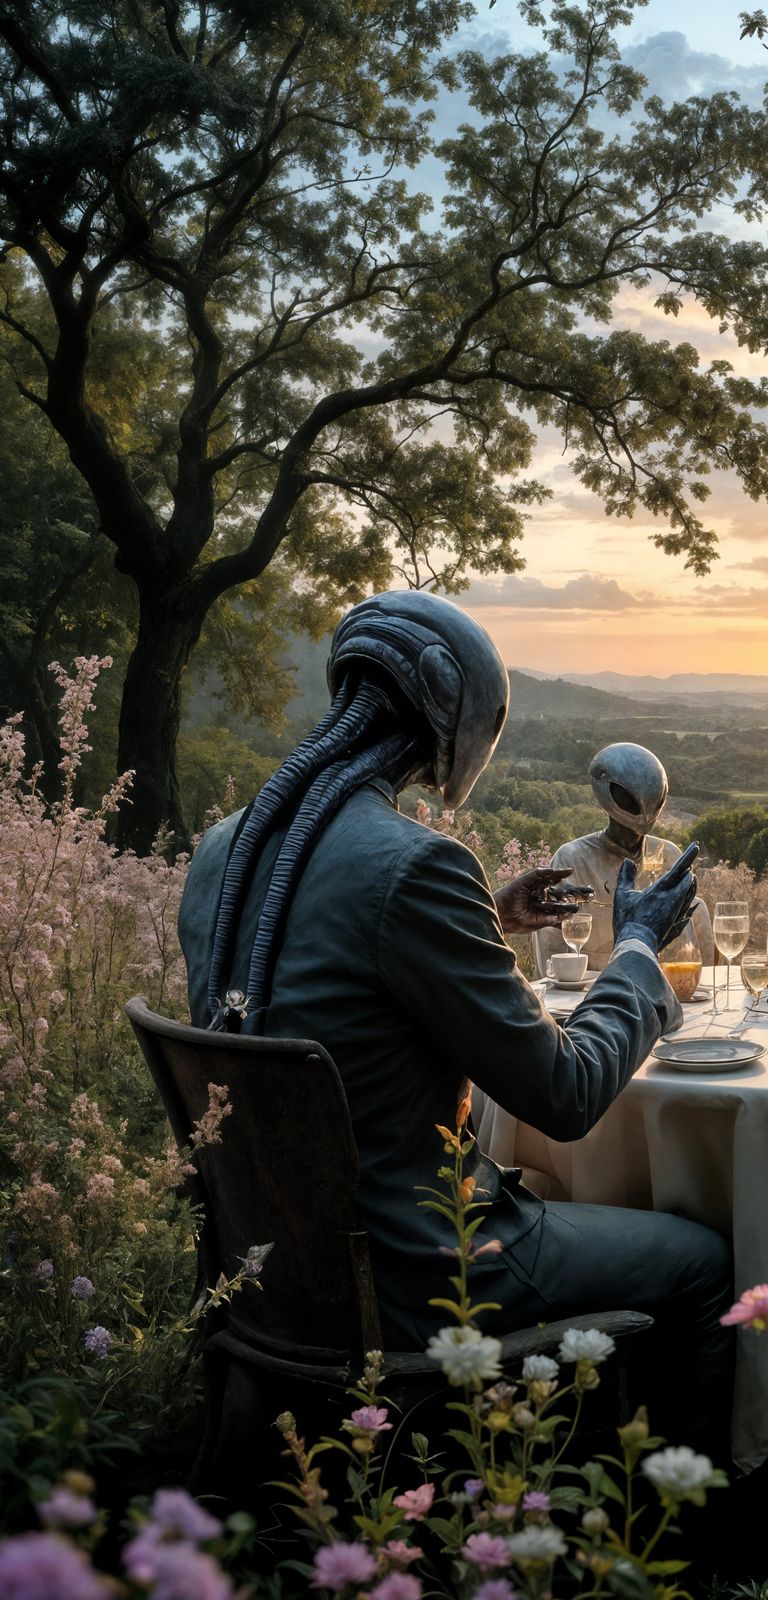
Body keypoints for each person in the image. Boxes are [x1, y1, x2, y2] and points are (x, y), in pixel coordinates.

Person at [177, 591, 734, 1459]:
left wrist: (484, 920)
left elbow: (322, 974)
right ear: (458, 714)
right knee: (700, 1260)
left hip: (270, 1265)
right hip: (419, 1265)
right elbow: (566, 1093)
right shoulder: (417, 864)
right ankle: (684, 1503)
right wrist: (635, 950)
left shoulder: (223, 850)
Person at [534, 742, 713, 974]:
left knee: (699, 909)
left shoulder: (668, 854)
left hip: (658, 985)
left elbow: (687, 944)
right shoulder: (573, 858)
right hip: (592, 991)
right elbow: (552, 953)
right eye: (628, 799)